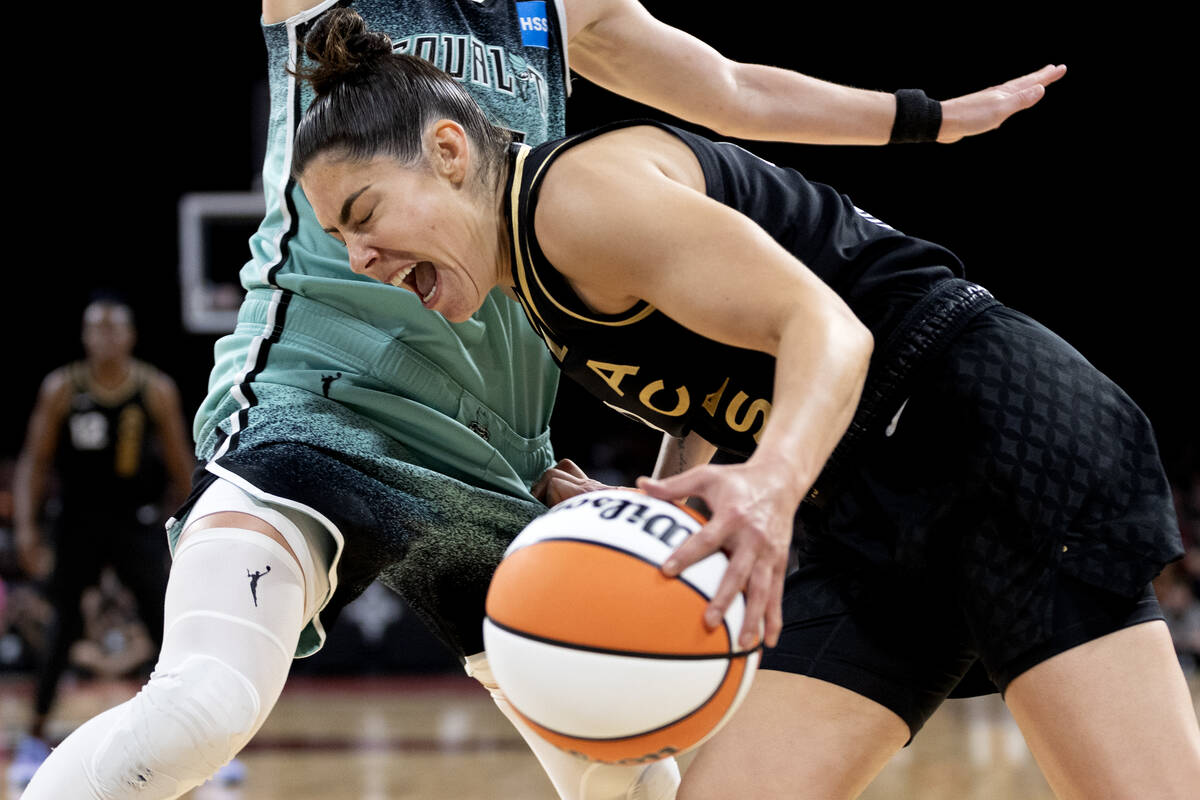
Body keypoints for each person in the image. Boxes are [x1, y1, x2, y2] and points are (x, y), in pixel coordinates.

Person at [23, 3, 1065, 798]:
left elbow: (734, 89)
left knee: (640, 784)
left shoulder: (554, 9)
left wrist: (925, 120)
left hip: (495, 463)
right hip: (313, 410)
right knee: (202, 706)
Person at [290, 19, 1200, 799]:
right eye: (338, 239)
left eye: (365, 212)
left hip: (987, 427)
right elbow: (716, 386)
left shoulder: (576, 200)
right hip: (861, 496)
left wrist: (766, 489)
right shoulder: (536, 273)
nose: (361, 254)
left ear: (449, 153)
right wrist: (648, 508)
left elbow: (827, 331)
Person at [8, 294, 194, 790]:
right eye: (97, 330)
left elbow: (182, 465)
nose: (106, 338)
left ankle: (188, 744)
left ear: (130, 336)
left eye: (115, 329)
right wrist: (27, 528)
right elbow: (34, 461)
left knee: (165, 628)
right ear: (86, 337)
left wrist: (181, 523)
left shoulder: (154, 389)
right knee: (62, 628)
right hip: (76, 524)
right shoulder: (62, 388)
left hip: (134, 523)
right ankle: (35, 736)